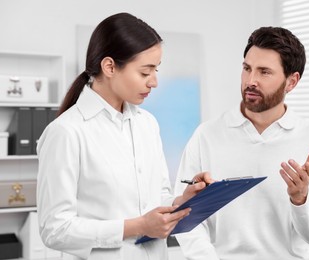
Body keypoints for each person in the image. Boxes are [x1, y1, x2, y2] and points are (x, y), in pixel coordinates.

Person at [36, 12, 211, 260]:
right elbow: (54, 230)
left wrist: (181, 200)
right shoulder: (66, 132)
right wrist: (136, 227)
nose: (154, 82)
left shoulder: (147, 124)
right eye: (145, 72)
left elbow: (155, 198)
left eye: (156, 70)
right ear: (109, 67)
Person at [174, 26, 309, 259]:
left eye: (264, 72)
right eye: (247, 68)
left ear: (291, 82)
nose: (251, 81)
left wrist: (301, 198)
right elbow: (185, 213)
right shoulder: (207, 135)